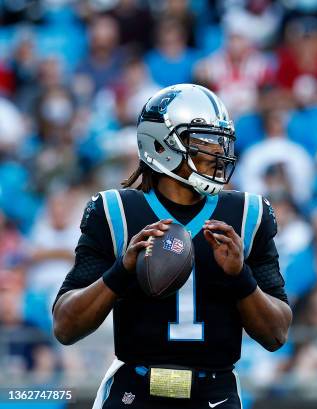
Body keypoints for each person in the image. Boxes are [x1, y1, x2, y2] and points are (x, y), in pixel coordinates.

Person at [52, 84, 292, 409]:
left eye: (220, 140)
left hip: (215, 393)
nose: (217, 151)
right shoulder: (115, 212)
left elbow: (276, 334)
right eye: (202, 141)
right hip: (135, 391)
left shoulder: (248, 215)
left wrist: (240, 277)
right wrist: (122, 271)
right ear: (162, 143)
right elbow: (66, 327)